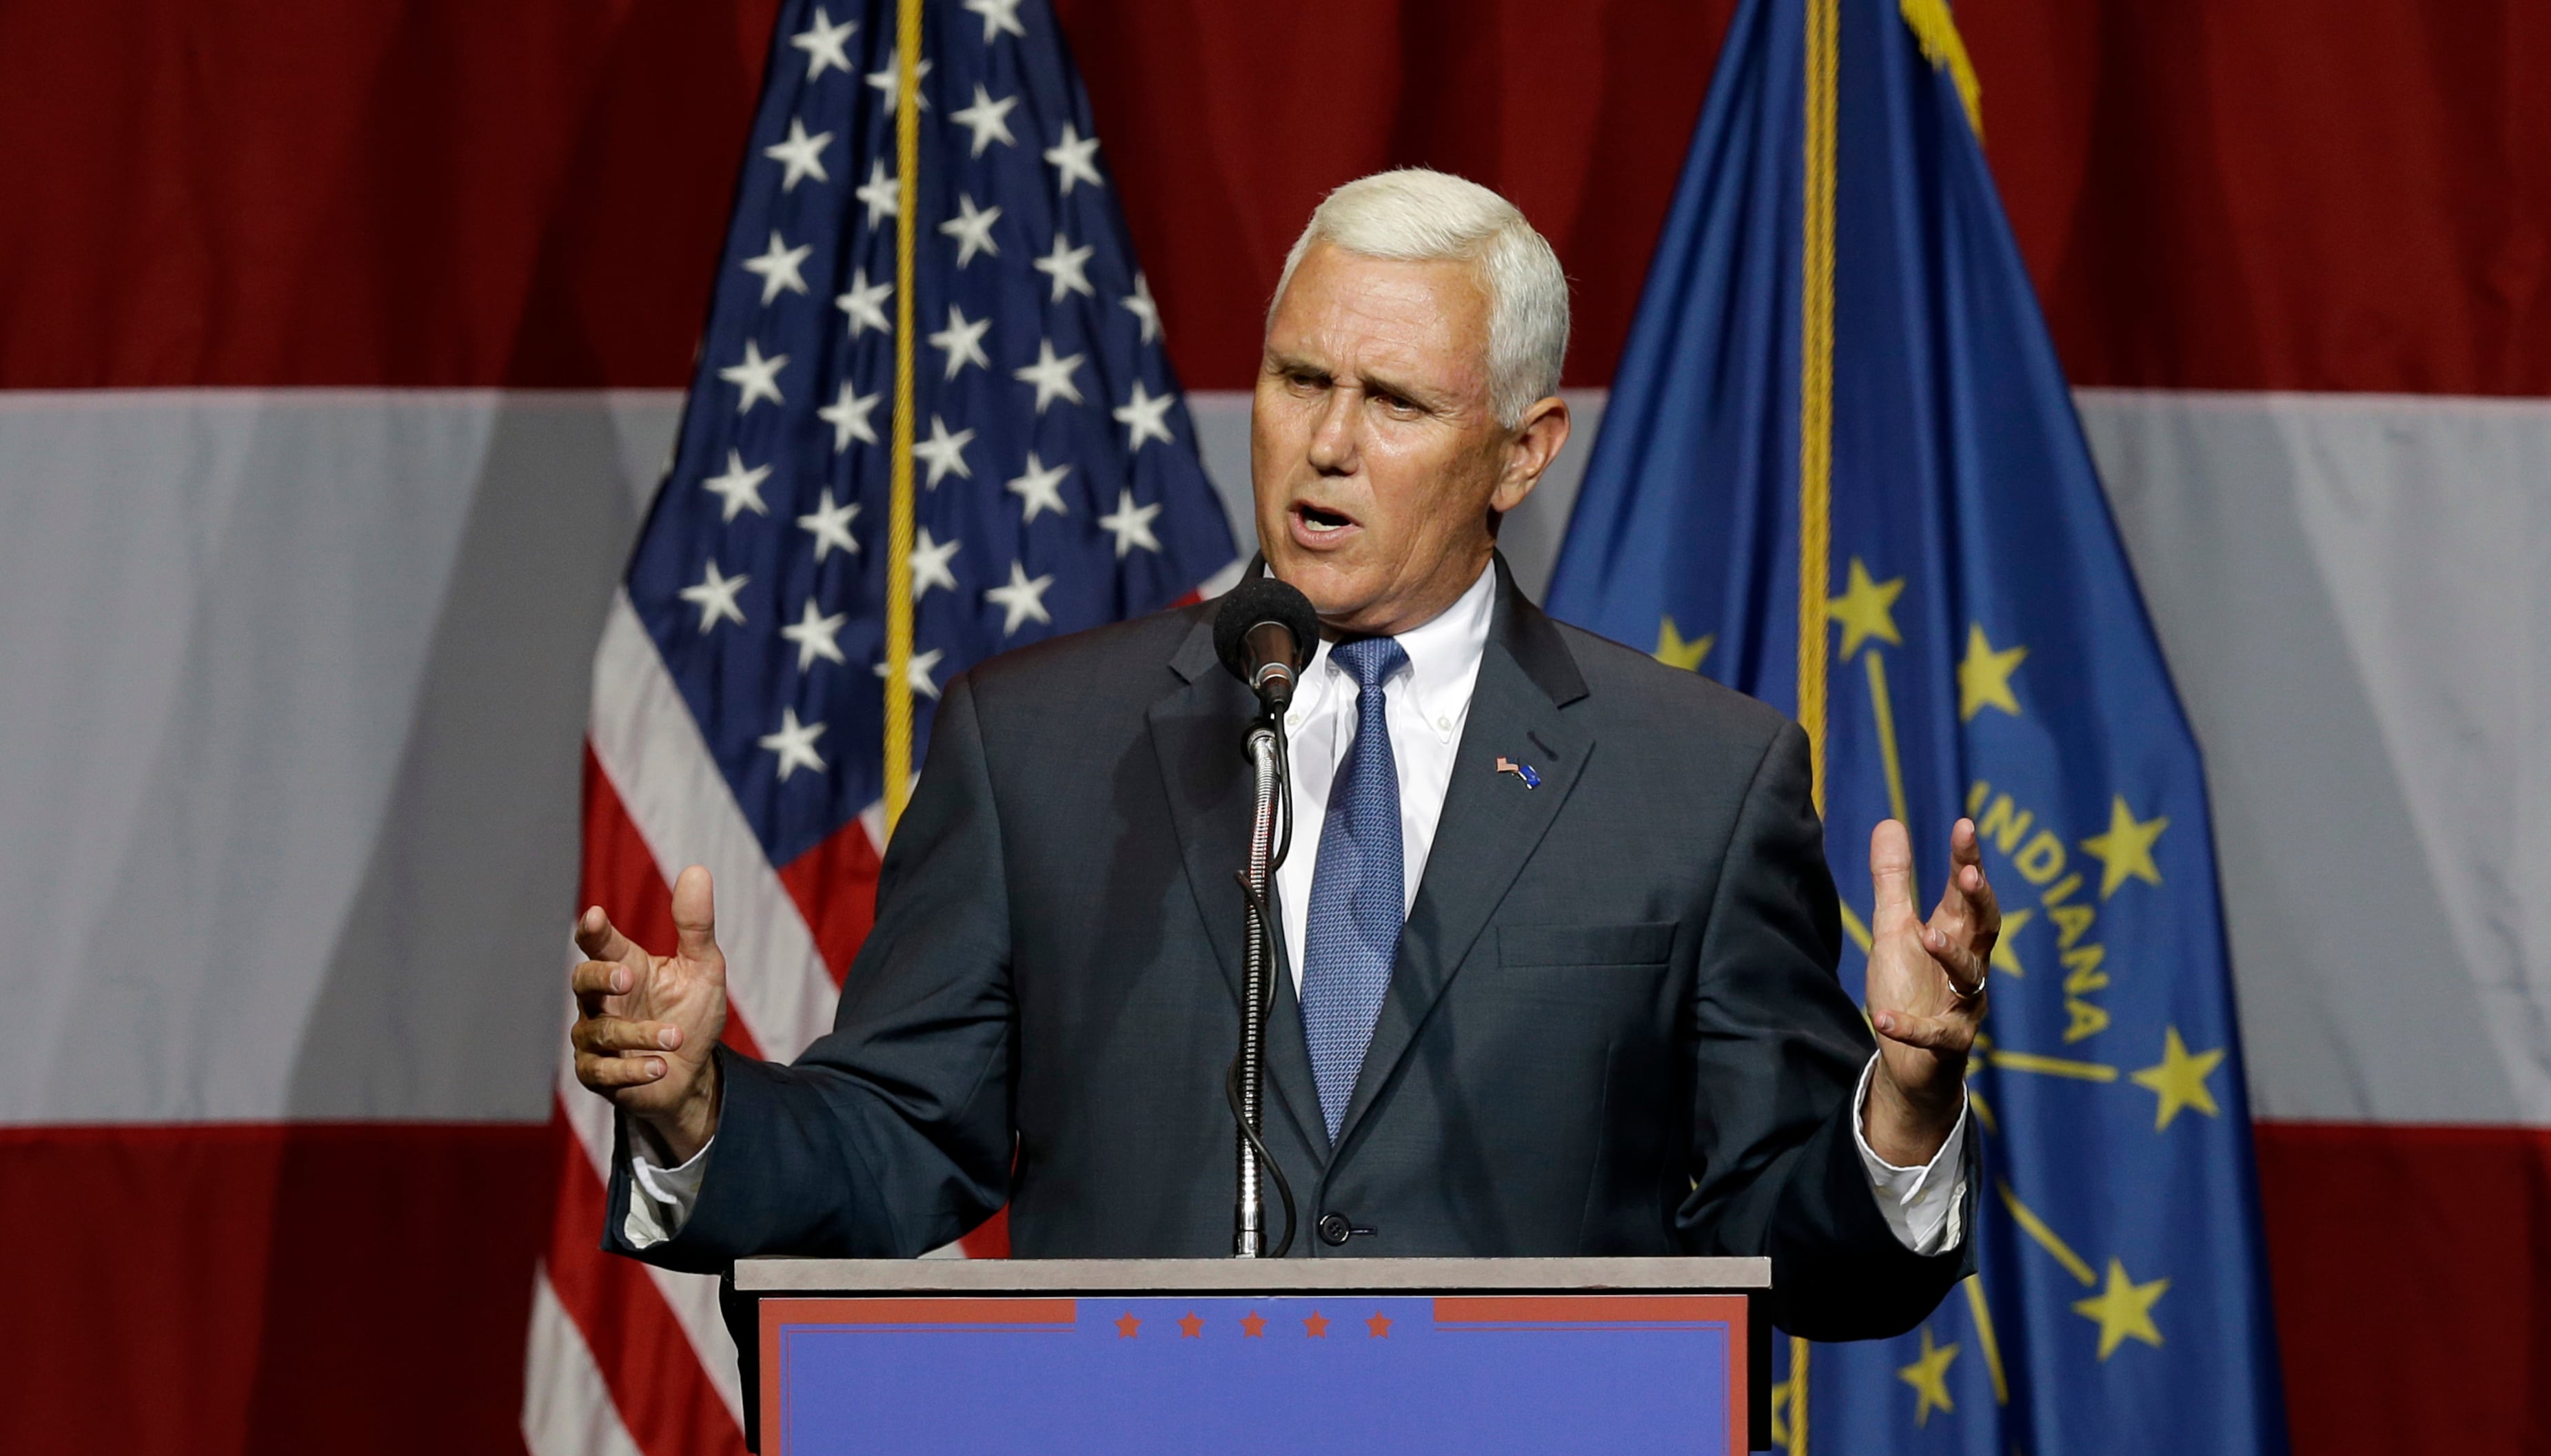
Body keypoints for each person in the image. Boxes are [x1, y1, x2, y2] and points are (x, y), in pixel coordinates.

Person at [569, 170, 1998, 1343]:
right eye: (1298, 378)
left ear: (1523, 451)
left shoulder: (1695, 781)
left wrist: (1903, 1110)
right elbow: (897, 1142)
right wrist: (701, 1111)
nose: (1326, 443)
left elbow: (1787, 1244)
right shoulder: (1039, 746)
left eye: (1396, 403)